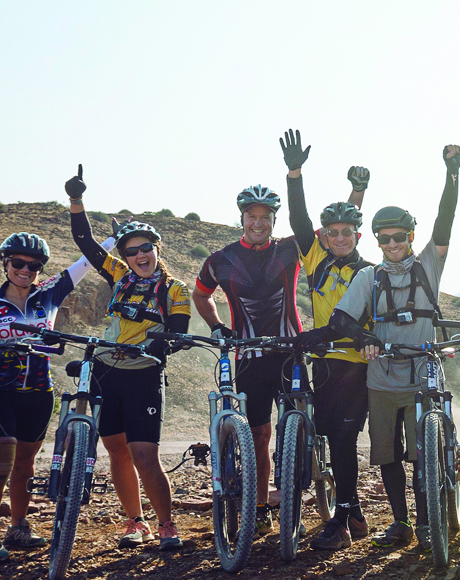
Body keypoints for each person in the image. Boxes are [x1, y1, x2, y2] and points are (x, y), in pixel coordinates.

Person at [327, 146, 460, 549]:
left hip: (423, 373)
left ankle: (426, 523)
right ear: (376, 239)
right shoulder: (368, 277)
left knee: (422, 455)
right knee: (387, 453)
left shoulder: (428, 266)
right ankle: (400, 522)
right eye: (384, 238)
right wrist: (364, 339)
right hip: (382, 377)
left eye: (399, 237)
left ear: (411, 237)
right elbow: (341, 319)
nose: (392, 244)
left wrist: (451, 175)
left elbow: (445, 222)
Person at [66, 167, 193, 552]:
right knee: (116, 450)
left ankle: (167, 523)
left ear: (157, 250)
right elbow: (85, 240)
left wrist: (162, 348)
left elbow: (180, 331)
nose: (139, 256)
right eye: (131, 251)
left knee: (144, 454)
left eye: (145, 249)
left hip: (143, 375)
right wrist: (76, 200)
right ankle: (135, 522)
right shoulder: (119, 275)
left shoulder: (174, 288)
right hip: (108, 370)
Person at [0, 230, 95, 558]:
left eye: (34, 266)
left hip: (39, 390)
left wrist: (117, 238)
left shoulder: (49, 295)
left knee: (26, 464)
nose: (26, 270)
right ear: (6, 262)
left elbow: (87, 262)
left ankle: (18, 526)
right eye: (19, 263)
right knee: (5, 457)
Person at [192, 134, 309, 532]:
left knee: (298, 429)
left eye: (265, 217)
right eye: (251, 217)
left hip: (290, 352)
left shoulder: (290, 249)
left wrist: (297, 176)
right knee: (259, 435)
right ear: (241, 218)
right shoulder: (221, 259)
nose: (258, 223)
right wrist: (217, 327)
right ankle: (259, 510)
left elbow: (328, 229)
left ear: (274, 221)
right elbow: (200, 294)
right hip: (250, 357)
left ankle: (299, 499)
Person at [285, 148, 372, 550]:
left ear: (358, 236)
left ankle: (342, 518)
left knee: (343, 440)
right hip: (323, 365)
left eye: (346, 233)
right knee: (320, 435)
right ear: (323, 237)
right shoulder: (316, 257)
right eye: (331, 233)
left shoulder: (372, 273)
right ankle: (351, 513)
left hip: (357, 367)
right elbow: (299, 219)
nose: (339, 238)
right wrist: (295, 173)